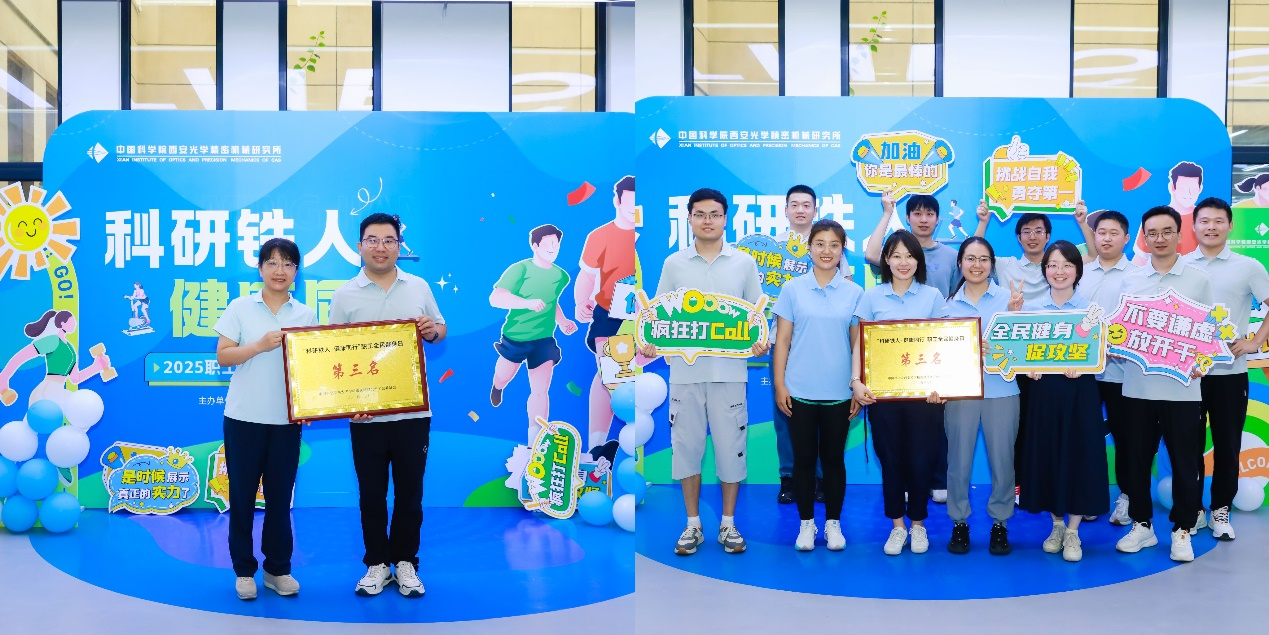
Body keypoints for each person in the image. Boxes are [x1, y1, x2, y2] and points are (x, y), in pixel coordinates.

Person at [639, 188, 767, 556]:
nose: (707, 220)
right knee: (687, 449)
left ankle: (728, 524)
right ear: (690, 218)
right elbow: (657, 318)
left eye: (714, 214)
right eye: (700, 214)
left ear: (725, 219)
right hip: (685, 375)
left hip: (730, 374)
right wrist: (650, 342)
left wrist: (760, 341)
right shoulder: (674, 264)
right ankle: (692, 524)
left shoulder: (743, 263)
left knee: (731, 450)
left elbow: (756, 318)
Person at [328, 212, 447, 597]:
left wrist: (431, 330)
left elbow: (440, 328)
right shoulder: (345, 295)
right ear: (360, 246)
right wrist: (348, 402)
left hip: (413, 411)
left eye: (389, 240)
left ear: (399, 246)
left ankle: (406, 562)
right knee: (371, 494)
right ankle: (377, 563)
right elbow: (333, 353)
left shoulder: (418, 286)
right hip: (365, 415)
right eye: (373, 240)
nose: (381, 247)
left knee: (411, 493)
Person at [212, 238, 317, 600]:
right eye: (271, 263)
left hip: (287, 422)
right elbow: (223, 356)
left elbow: (310, 369)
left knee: (279, 499)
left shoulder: (305, 315)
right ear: (260, 269)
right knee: (242, 497)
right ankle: (244, 571)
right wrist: (259, 345)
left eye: (288, 264)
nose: (279, 270)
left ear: (296, 272)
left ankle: (277, 570)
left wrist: (309, 406)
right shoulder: (240, 307)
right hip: (243, 418)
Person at [1115, 206, 1212, 563]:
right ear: (1144, 238)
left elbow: (1210, 330)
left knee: (1185, 464)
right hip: (1137, 389)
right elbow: (1121, 330)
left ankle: (1182, 529)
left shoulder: (1198, 279)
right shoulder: (1131, 280)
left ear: (1179, 235)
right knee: (1136, 462)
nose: (1159, 238)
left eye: (1166, 231)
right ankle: (1142, 525)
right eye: (1152, 233)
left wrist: (1202, 362)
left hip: (1183, 391)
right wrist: (1113, 345)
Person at [1010, 241, 1110, 562]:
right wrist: (1028, 367)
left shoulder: (1092, 311)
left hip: (1080, 395)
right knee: (1048, 455)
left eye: (1067, 265)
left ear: (1077, 270)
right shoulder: (1031, 310)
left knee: (1079, 456)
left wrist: (1084, 364)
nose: (1059, 271)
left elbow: (1102, 355)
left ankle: (1074, 531)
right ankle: (1056, 525)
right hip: (1043, 395)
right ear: (1045, 271)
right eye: (1052, 265)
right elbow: (1018, 354)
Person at [852, 230, 950, 556]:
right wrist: (856, 381)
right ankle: (897, 526)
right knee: (891, 461)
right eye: (896, 255)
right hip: (883, 397)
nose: (903, 262)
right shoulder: (872, 297)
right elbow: (860, 344)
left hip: (925, 399)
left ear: (918, 260)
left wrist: (943, 386)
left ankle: (918, 524)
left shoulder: (933, 296)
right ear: (886, 260)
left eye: (909, 255)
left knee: (922, 461)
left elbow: (943, 343)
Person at [771, 219, 863, 551]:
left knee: (834, 460)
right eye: (820, 244)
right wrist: (780, 385)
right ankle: (806, 525)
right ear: (809, 248)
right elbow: (782, 341)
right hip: (799, 392)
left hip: (840, 392)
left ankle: (833, 524)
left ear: (842, 250)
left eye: (834, 245)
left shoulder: (855, 293)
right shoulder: (792, 289)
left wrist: (857, 384)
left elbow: (858, 344)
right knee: (804, 460)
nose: (827, 251)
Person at [1183, 197, 1269, 541]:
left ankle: (1221, 509)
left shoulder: (1248, 266)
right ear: (1194, 226)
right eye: (1204, 221)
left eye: (1219, 221)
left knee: (1228, 444)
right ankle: (1194, 510)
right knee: (1187, 445)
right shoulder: (1180, 265)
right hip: (1187, 375)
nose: (1211, 227)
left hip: (1230, 374)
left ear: (1230, 225)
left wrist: (1254, 342)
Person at [865, 192, 957, 503]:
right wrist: (886, 212)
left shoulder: (942, 273)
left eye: (929, 213)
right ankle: (901, 493)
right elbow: (872, 253)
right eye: (917, 213)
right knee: (893, 439)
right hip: (887, 376)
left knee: (930, 434)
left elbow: (950, 319)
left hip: (929, 369)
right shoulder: (876, 291)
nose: (903, 262)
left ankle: (934, 486)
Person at [942, 237, 1018, 556]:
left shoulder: (1010, 300)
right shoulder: (945, 306)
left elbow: (1025, 350)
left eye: (984, 259)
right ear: (960, 263)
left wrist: (1014, 320)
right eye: (970, 259)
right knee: (958, 461)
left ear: (992, 264)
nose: (977, 265)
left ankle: (1000, 523)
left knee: (1003, 461)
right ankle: (959, 522)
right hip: (960, 393)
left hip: (1003, 390)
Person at [1072, 210, 1137, 525]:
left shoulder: (1139, 275)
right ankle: (1089, 497)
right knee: (1085, 437)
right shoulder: (1081, 273)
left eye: (1114, 233)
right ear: (1094, 237)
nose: (1107, 238)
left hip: (1123, 374)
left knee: (1126, 438)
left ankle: (1127, 496)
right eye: (1101, 232)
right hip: (1083, 373)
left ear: (1126, 238)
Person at [488, 224, 579, 444]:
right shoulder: (520, 269)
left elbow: (552, 302)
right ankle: (497, 387)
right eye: (548, 244)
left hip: (544, 340)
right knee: (503, 376)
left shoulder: (561, 276)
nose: (552, 248)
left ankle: (535, 441)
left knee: (540, 391)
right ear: (535, 246)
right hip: (516, 337)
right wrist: (527, 303)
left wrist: (563, 321)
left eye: (556, 244)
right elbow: (496, 298)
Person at [576, 176, 637, 463]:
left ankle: (635, 447)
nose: (634, 208)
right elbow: (587, 275)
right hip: (610, 313)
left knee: (632, 378)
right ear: (617, 201)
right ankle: (597, 448)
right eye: (629, 202)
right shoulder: (600, 236)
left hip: (650, 316)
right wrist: (581, 302)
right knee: (609, 374)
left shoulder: (652, 233)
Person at [771, 184, 824, 505]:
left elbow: (845, 289)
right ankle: (789, 478)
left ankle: (819, 478)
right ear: (786, 210)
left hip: (822, 345)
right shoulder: (771, 251)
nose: (801, 210)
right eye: (795, 204)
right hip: (782, 343)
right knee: (785, 413)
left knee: (823, 414)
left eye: (807, 205)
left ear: (815, 210)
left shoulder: (827, 244)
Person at [0, 310, 110, 408]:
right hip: (46, 391)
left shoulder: (70, 349)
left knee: (80, 409)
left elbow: (75, 378)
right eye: (71, 321)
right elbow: (21, 356)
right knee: (79, 407)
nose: (74, 324)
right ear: (62, 324)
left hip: (57, 390)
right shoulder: (53, 341)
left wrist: (96, 367)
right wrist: (4, 377)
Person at [1129, 162, 1204, 263]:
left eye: (1193, 189)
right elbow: (1141, 260)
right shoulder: (1154, 218)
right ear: (1172, 187)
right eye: (1182, 189)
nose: (1188, 194)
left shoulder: (1205, 219)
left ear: (1200, 189)